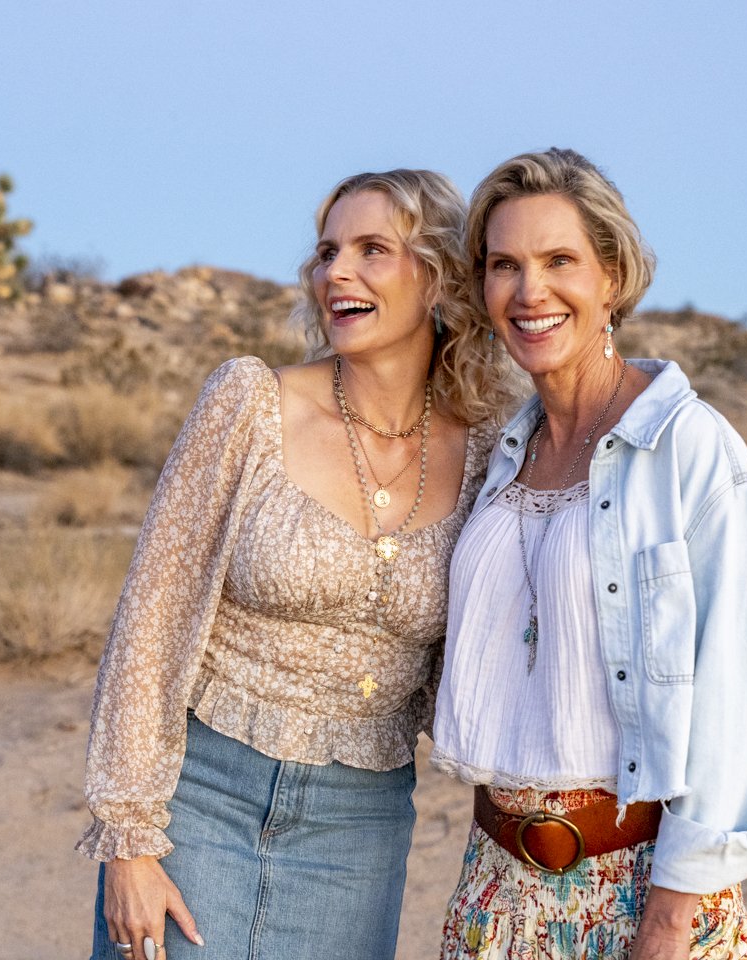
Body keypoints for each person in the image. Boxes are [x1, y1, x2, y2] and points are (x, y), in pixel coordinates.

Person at [77, 169, 515, 960]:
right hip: (200, 797)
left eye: (372, 249)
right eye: (326, 252)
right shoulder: (249, 403)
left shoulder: (486, 449)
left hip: (361, 823)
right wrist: (128, 839)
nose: (335, 272)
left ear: (441, 280)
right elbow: (152, 617)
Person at [430, 148, 747, 960]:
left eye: (560, 261)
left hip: (642, 892)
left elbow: (741, 685)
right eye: (503, 265)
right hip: (495, 888)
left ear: (613, 277)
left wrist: (669, 918)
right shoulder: (500, 458)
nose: (531, 292)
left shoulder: (688, 449)